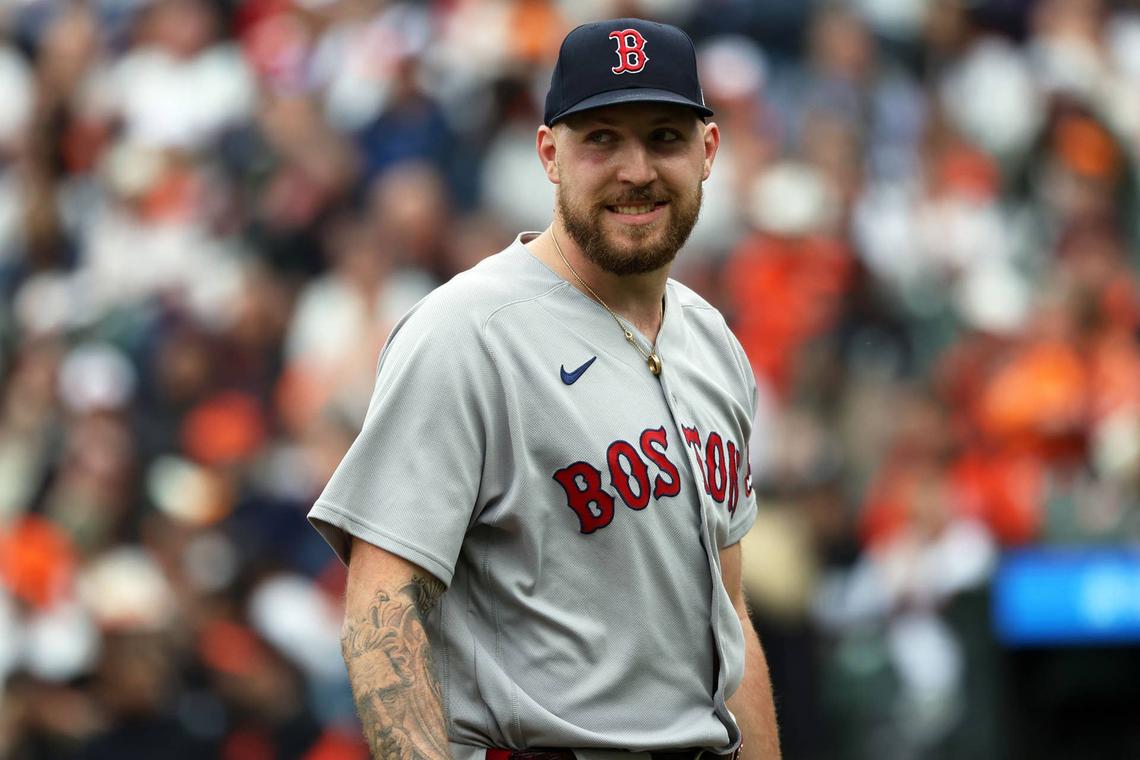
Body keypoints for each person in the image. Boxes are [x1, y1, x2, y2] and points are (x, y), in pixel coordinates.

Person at [308, 17, 781, 760]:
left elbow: (731, 618)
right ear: (550, 155)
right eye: (602, 139)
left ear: (709, 151)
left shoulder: (713, 341)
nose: (636, 171)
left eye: (663, 138)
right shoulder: (467, 332)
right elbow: (381, 612)